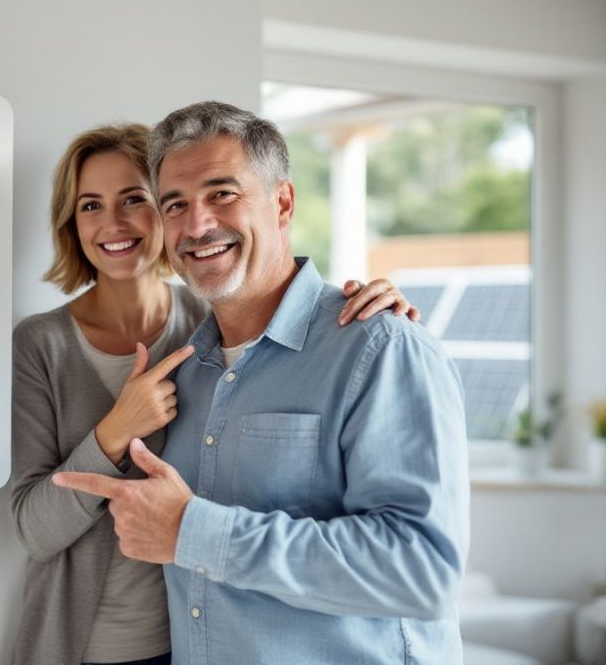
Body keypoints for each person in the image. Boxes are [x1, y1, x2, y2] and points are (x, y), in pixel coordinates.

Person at [53, 102, 469, 664]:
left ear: (283, 202)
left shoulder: (381, 347)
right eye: (175, 204)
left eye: (222, 194)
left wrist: (192, 530)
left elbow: (422, 572)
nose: (197, 225)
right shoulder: (185, 368)